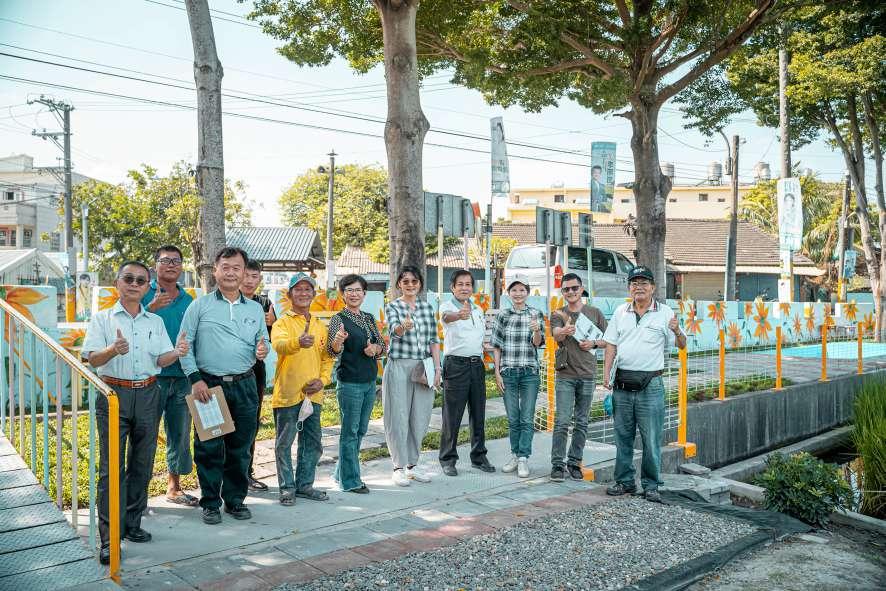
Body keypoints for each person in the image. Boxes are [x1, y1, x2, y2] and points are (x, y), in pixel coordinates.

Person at [81, 261, 189, 564]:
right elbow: (92, 358)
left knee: (142, 463)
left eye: (141, 281)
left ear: (146, 287)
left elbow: (161, 359)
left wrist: (177, 352)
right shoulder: (102, 319)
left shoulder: (154, 321)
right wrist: (113, 350)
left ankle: (132, 523)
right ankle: (110, 538)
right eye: (128, 278)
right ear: (118, 283)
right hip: (113, 394)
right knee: (111, 468)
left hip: (149, 393)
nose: (134, 284)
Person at [178, 247, 268, 525]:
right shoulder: (199, 306)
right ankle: (210, 503)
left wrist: (263, 348)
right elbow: (184, 345)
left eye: (236, 268)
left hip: (245, 385)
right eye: (225, 267)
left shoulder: (255, 308)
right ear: (215, 271)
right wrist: (195, 379)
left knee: (241, 448)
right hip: (209, 388)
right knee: (209, 448)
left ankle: (235, 500)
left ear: (243, 272)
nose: (231, 273)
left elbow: (263, 340)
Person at [603, 266, 686, 503]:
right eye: (634, 283)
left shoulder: (665, 312)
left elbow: (682, 344)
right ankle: (625, 481)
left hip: (651, 386)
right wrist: (606, 375)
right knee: (623, 437)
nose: (638, 287)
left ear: (653, 288)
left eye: (643, 283)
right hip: (622, 385)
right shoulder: (620, 312)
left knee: (651, 439)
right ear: (629, 288)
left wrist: (677, 330)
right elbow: (611, 345)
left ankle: (651, 485)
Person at [270, 273, 333, 505]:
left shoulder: (319, 325)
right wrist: (298, 342)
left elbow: (327, 358)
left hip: (313, 394)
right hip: (288, 394)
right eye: (298, 289)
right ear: (290, 295)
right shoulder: (282, 322)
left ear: (313, 294)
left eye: (308, 289)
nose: (303, 293)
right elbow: (279, 345)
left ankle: (305, 485)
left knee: (313, 443)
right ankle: (287, 488)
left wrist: (323, 380)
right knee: (284, 444)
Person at [141, 245, 197, 507]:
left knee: (180, 434)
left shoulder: (189, 300)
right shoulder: (143, 292)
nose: (171, 265)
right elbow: (129, 324)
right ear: (155, 266)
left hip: (182, 376)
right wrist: (150, 308)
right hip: (151, 377)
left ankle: (174, 487)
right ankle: (139, 492)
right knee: (145, 434)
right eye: (166, 260)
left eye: (176, 261)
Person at [327, 274, 386, 494]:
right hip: (349, 383)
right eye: (349, 290)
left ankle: (340, 473)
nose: (354, 294)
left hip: (369, 381)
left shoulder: (369, 318)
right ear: (342, 294)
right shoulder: (338, 319)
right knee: (350, 432)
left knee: (360, 430)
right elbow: (332, 351)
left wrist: (375, 349)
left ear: (364, 293)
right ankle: (351, 481)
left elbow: (381, 346)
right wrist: (337, 341)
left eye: (358, 290)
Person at [383, 266, 441, 487]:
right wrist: (403, 327)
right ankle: (398, 467)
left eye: (414, 281)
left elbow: (434, 340)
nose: (410, 285)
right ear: (399, 284)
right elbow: (393, 331)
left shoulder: (427, 308)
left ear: (420, 284)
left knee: (420, 416)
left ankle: (412, 465)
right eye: (405, 281)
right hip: (399, 365)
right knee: (398, 416)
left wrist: (437, 368)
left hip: (423, 366)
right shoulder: (393, 306)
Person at [549, 273, 607, 482]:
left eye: (574, 288)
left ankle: (574, 462)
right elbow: (555, 333)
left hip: (588, 375)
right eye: (566, 289)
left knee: (582, 422)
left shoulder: (595, 312)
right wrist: (565, 330)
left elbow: (609, 339)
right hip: (565, 374)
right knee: (562, 421)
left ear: (581, 289)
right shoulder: (558, 313)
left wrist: (593, 343)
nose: (571, 292)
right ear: (562, 292)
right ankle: (557, 464)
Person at [438, 270, 495, 476]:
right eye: (460, 284)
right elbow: (446, 318)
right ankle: (448, 459)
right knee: (452, 415)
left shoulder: (478, 309)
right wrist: (459, 315)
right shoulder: (447, 307)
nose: (464, 288)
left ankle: (478, 457)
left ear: (472, 287)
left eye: (468, 284)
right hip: (456, 365)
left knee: (478, 413)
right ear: (452, 287)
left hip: (476, 365)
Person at [491, 273, 545, 478]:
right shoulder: (503, 315)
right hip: (508, 372)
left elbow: (538, 343)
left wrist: (537, 330)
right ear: (509, 293)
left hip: (529, 372)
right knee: (513, 418)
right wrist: (497, 372)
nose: (518, 293)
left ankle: (523, 458)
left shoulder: (536, 314)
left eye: (522, 289)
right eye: (514, 290)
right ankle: (515, 455)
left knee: (527, 418)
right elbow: (496, 346)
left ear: (528, 292)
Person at [239, 259, 276, 492]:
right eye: (246, 275)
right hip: (225, 371)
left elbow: (275, 336)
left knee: (251, 422)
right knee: (224, 424)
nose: (249, 281)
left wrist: (273, 324)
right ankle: (223, 474)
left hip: (255, 371)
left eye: (255, 277)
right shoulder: (227, 301)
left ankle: (246, 472)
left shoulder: (265, 303)